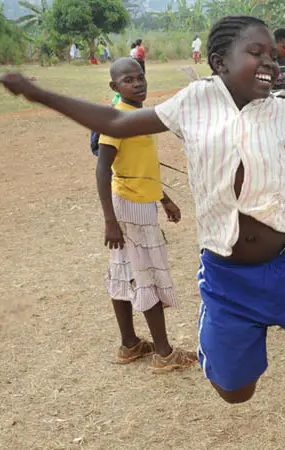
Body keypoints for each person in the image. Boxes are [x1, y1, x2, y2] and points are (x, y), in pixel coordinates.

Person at [0, 15, 285, 404]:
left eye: (273, 55)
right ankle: (236, 326)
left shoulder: (278, 111)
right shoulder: (194, 101)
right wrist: (38, 93)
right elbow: (115, 123)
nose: (269, 62)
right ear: (219, 62)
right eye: (256, 52)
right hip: (227, 275)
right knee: (235, 393)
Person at [90, 58, 199, 373]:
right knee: (146, 275)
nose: (137, 83)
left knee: (124, 272)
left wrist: (165, 199)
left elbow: (142, 166)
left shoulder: (140, 116)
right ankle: (164, 353)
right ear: (114, 86)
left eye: (140, 77)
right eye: (128, 80)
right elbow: (102, 170)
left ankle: (130, 344)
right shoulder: (116, 120)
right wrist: (110, 221)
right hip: (130, 207)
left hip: (140, 202)